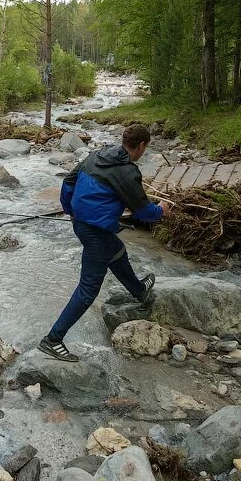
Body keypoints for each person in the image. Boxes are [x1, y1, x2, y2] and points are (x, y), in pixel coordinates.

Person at [39, 124, 171, 362]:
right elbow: (143, 211)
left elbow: (68, 182)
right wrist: (161, 210)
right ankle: (53, 339)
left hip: (82, 223)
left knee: (117, 250)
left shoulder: (95, 156)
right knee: (88, 289)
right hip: (95, 232)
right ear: (141, 146)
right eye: (146, 147)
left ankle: (139, 291)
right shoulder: (127, 172)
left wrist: (70, 211)